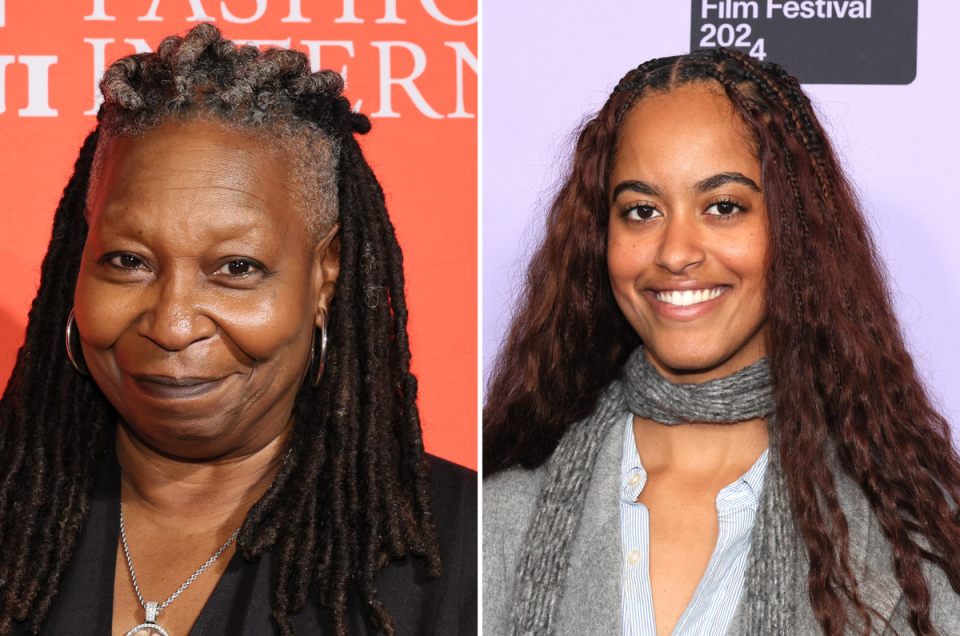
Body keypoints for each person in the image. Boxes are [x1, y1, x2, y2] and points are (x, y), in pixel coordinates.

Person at [0, 24, 476, 636]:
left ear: (324, 275)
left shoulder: (464, 549)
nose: (172, 326)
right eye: (128, 261)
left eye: (236, 269)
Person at [483, 49, 960, 636]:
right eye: (641, 211)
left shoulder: (909, 535)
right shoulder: (497, 512)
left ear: (792, 229)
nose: (676, 251)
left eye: (724, 206)